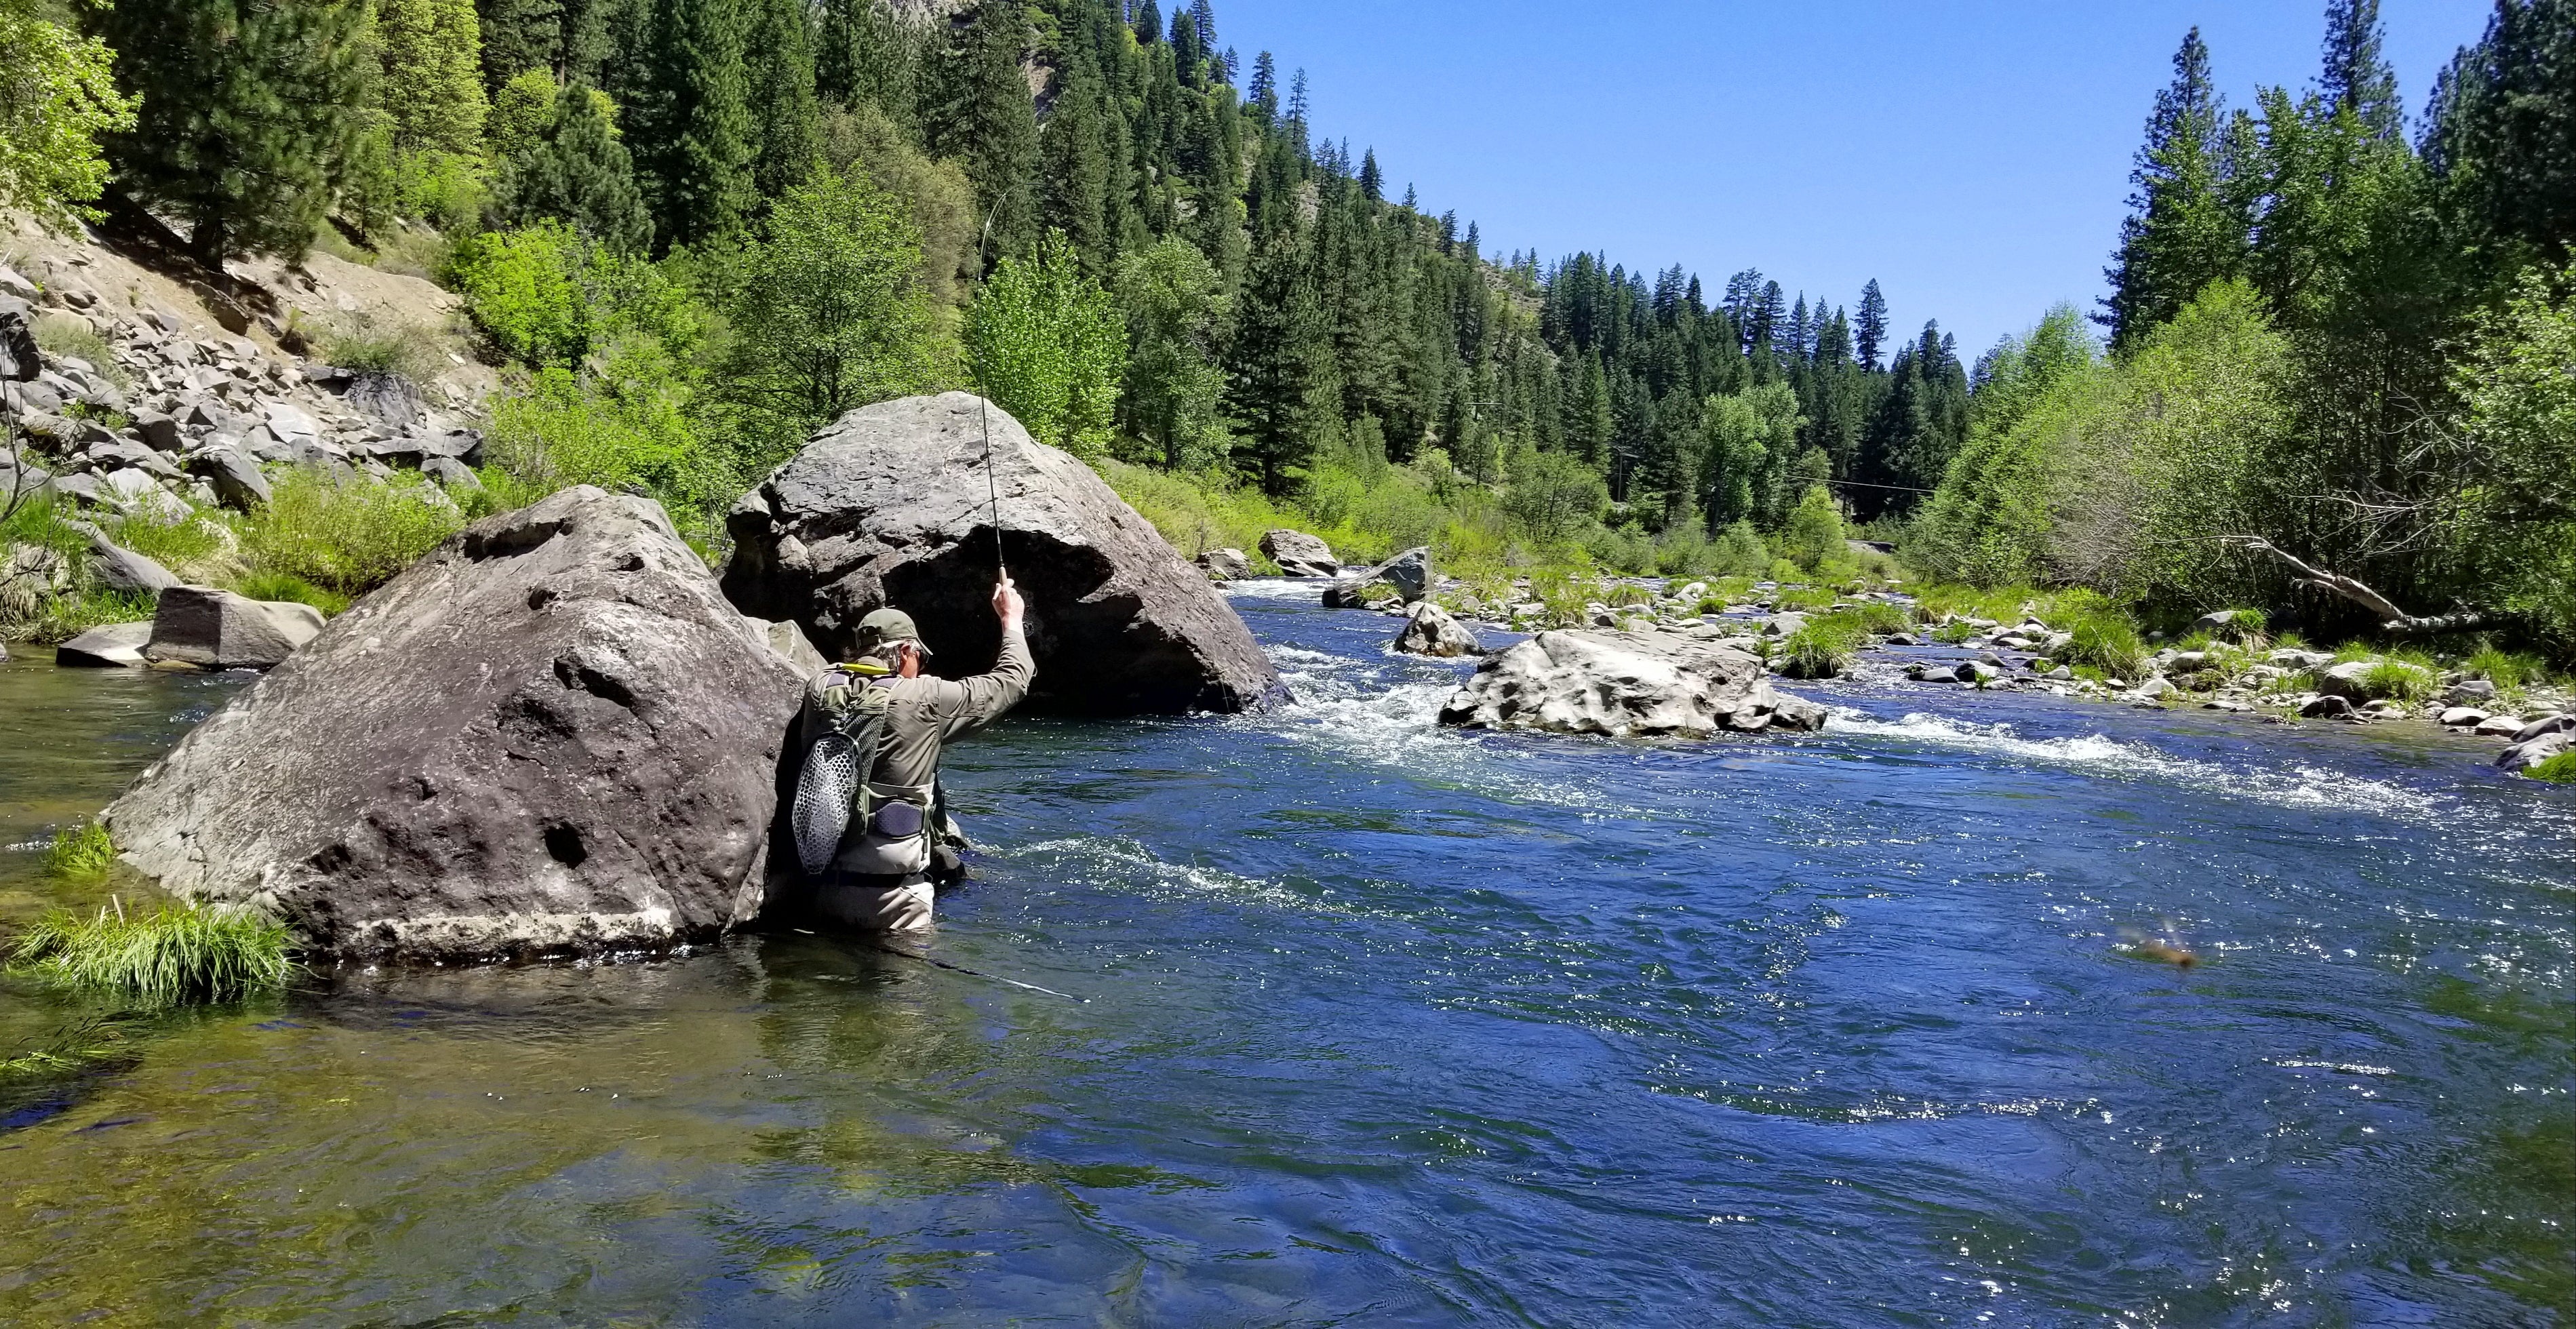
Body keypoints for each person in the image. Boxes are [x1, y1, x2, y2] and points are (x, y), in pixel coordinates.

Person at [797, 575, 1032, 931]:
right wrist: (1010, 619)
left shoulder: (821, 686)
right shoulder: (924, 697)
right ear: (906, 651)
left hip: (817, 885)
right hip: (892, 901)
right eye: (918, 656)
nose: (920, 665)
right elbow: (1012, 680)